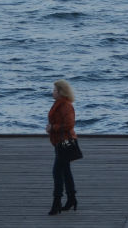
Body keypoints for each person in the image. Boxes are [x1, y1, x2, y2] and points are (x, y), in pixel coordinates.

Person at [47, 79, 79, 215]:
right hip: (59, 141)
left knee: (57, 171)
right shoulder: (58, 104)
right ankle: (71, 198)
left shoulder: (66, 105)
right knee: (65, 171)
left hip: (65, 142)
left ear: (61, 92)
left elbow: (70, 124)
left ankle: (57, 201)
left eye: (54, 90)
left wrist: (52, 127)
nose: (52, 92)